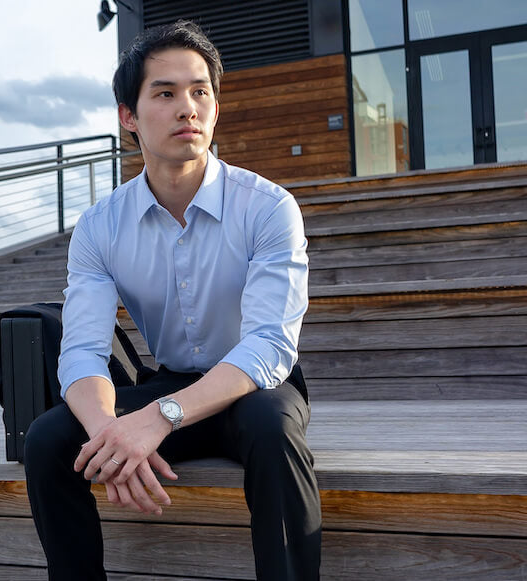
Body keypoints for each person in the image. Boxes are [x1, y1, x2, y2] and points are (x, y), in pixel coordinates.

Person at [24, 19, 321, 580]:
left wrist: (159, 418)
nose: (188, 107)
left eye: (200, 91)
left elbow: (268, 345)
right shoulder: (100, 227)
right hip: (172, 376)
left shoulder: (267, 207)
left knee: (273, 430)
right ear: (128, 117)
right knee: (47, 440)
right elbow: (83, 351)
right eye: (165, 93)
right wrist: (111, 433)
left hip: (253, 385)